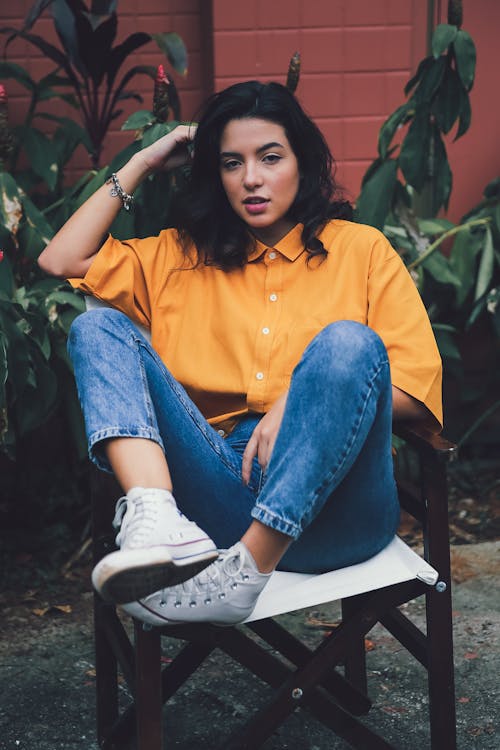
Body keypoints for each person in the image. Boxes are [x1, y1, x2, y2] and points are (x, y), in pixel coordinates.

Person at [38, 80, 442, 627]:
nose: (251, 178)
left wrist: (299, 403)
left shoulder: (361, 250)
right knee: (96, 329)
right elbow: (60, 259)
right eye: (232, 163)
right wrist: (144, 159)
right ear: (216, 175)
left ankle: (248, 569)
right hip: (219, 500)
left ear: (303, 162)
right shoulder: (178, 256)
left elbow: (416, 391)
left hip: (341, 512)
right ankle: (155, 518)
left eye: (270, 157)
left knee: (348, 343)